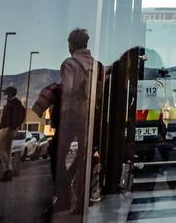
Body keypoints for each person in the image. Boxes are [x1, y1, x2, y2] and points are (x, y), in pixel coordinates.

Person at [56, 28, 98, 215]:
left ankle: (64, 195)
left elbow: (67, 90)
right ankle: (81, 198)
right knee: (83, 157)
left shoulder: (70, 64)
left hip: (72, 115)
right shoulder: (98, 65)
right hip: (90, 117)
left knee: (56, 154)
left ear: (72, 44)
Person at [0, 86, 26, 182]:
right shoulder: (15, 104)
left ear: (10, 94)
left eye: (6, 93)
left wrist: (11, 127)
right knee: (7, 150)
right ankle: (8, 172)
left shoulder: (14, 104)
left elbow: (11, 118)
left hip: (8, 129)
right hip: (9, 128)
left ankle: (7, 170)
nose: (5, 95)